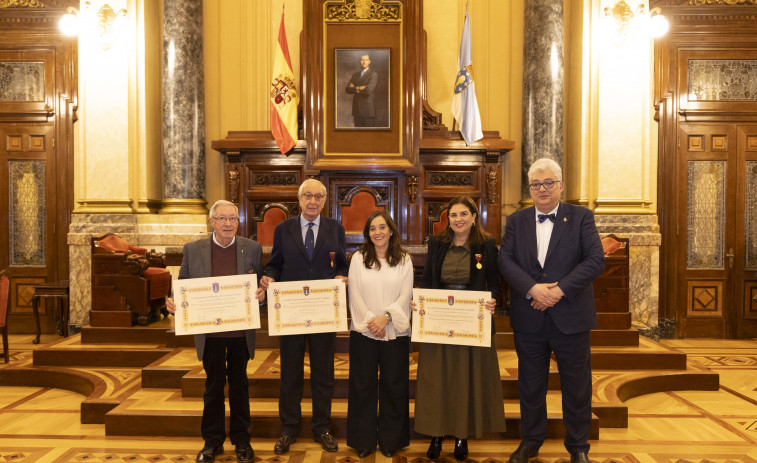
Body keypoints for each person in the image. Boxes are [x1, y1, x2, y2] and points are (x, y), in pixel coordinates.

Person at [497, 158, 605, 463]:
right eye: (536, 184)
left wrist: (557, 291)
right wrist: (533, 289)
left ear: (560, 186)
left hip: (571, 315)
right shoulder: (517, 220)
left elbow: (595, 260)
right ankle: (531, 441)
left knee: (577, 385)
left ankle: (578, 447)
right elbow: (505, 261)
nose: (542, 189)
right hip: (529, 317)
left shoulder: (582, 217)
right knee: (530, 385)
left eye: (548, 183)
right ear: (530, 188)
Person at [166, 200, 265, 463]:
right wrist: (172, 300)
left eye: (232, 219)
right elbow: (183, 285)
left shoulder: (252, 249)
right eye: (222, 219)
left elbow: (260, 287)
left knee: (240, 387)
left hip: (239, 333)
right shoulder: (193, 249)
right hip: (209, 333)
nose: (228, 224)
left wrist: (262, 295)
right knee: (212, 387)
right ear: (212, 222)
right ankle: (212, 442)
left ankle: (242, 441)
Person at [259, 178, 349, 455]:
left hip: (323, 314)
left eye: (318, 196)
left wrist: (341, 277)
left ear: (324, 200)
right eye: (307, 196)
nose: (312, 201)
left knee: (324, 373)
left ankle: (322, 427)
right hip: (291, 313)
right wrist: (268, 278)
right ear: (298, 200)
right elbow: (275, 264)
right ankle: (289, 428)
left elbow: (342, 265)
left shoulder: (336, 228)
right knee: (290, 373)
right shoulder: (283, 229)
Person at [413, 196, 506, 462]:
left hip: (472, 321)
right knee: (437, 379)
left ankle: (462, 435)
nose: (459, 220)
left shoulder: (485, 244)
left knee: (466, 378)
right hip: (439, 320)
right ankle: (436, 434)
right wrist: (420, 303)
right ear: (448, 219)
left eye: (464, 214)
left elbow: (495, 283)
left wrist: (493, 301)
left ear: (474, 217)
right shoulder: (438, 243)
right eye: (453, 215)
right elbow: (429, 279)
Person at [346, 211, 413, 458]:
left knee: (394, 386)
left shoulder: (404, 260)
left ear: (391, 231)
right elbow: (355, 295)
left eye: (382, 227)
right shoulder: (358, 258)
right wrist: (369, 322)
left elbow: (406, 295)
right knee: (362, 386)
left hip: (395, 331)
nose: (378, 232)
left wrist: (386, 318)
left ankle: (391, 440)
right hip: (364, 332)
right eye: (373, 229)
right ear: (368, 234)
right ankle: (362, 440)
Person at [345, 54, 378, 127]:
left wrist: (354, 88)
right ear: (360, 61)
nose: (364, 62)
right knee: (357, 134)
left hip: (368, 110)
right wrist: (359, 88)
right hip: (356, 109)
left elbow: (368, 90)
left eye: (366, 60)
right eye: (362, 60)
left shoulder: (373, 74)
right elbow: (347, 89)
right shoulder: (355, 75)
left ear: (369, 61)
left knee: (369, 135)